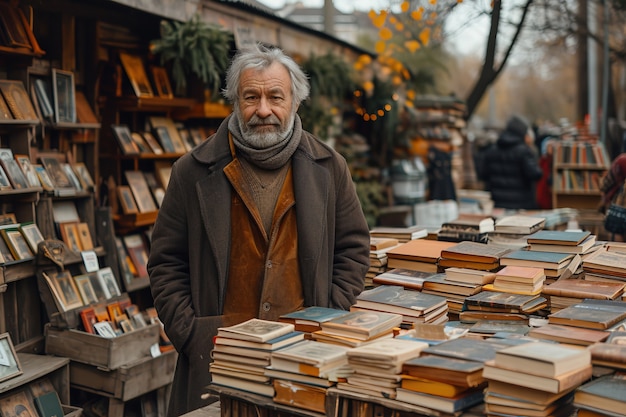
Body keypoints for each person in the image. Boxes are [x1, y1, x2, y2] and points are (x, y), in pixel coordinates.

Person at [147, 43, 371, 416]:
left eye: (275, 97)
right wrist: (191, 333)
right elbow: (165, 262)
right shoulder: (191, 171)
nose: (263, 110)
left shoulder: (330, 168)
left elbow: (353, 250)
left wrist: (328, 318)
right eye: (251, 96)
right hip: (217, 359)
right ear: (235, 101)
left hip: (305, 358)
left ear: (295, 101)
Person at [478, 114, 543, 210]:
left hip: (497, 204)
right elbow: (536, 174)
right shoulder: (524, 151)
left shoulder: (492, 150)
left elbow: (482, 175)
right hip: (521, 205)